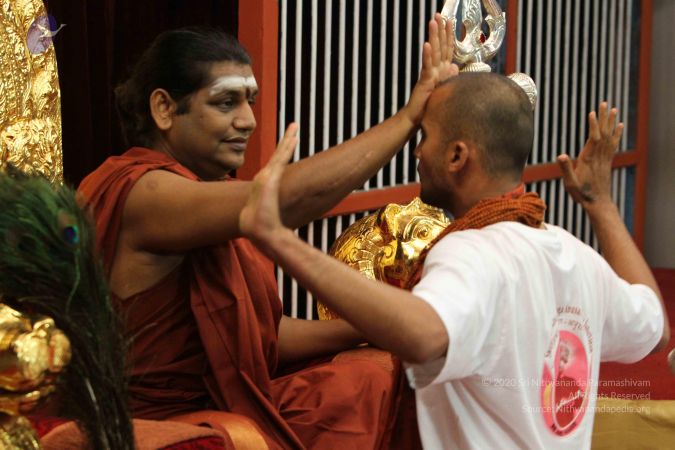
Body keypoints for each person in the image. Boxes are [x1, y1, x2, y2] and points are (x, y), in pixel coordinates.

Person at [78, 15, 457, 450]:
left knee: (377, 370)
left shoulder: (209, 194)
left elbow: (264, 338)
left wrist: (372, 327)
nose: (248, 121)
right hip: (162, 430)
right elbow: (281, 202)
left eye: (250, 102)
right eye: (226, 102)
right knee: (371, 387)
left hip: (221, 408)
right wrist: (407, 119)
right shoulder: (144, 193)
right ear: (164, 109)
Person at [239, 73, 670, 449]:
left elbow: (426, 335)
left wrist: (279, 239)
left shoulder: (472, 251)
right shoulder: (577, 256)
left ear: (457, 156)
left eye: (424, 136)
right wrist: (600, 204)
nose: (417, 153)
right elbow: (655, 328)